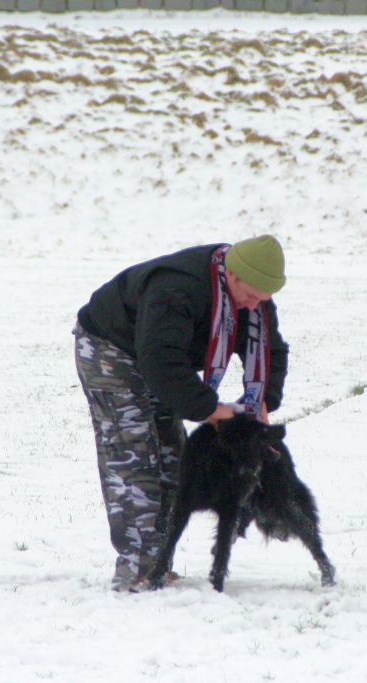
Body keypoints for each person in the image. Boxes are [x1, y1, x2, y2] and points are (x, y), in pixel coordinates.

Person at [74, 235, 289, 591]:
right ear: (231, 276)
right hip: (112, 348)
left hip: (166, 359)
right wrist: (209, 409)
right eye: (251, 296)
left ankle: (160, 565)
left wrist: (264, 398)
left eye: (263, 300)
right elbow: (160, 362)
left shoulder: (255, 300)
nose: (256, 306)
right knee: (135, 457)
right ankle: (138, 572)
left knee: (175, 457)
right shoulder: (176, 290)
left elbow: (273, 351)